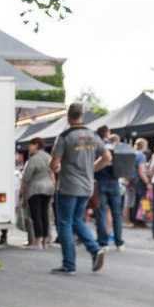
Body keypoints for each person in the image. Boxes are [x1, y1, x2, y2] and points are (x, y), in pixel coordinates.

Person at [49, 102, 111, 274]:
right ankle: (94, 249)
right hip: (87, 186)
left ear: (68, 116)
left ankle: (69, 264)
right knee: (77, 220)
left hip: (69, 186)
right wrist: (91, 168)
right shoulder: (93, 135)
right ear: (82, 115)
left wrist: (57, 168)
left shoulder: (65, 136)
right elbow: (107, 157)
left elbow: (54, 164)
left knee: (65, 223)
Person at [20, 137, 55, 249]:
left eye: (30, 145)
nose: (29, 147)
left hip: (35, 189)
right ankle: (45, 240)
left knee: (36, 215)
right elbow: (53, 173)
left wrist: (22, 193)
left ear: (36, 145)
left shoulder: (34, 159)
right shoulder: (48, 157)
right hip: (49, 188)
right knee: (44, 214)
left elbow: (26, 177)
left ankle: (38, 241)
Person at [93, 127, 124, 251]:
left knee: (100, 213)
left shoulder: (96, 147)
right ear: (108, 133)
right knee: (117, 214)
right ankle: (119, 242)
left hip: (99, 182)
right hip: (114, 182)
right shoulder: (116, 147)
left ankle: (103, 242)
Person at [128, 138, 150, 228]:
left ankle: (134, 219)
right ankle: (141, 220)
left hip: (132, 180)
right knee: (143, 201)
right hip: (140, 181)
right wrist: (147, 182)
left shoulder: (132, 154)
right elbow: (141, 171)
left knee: (135, 200)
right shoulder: (141, 155)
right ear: (144, 146)